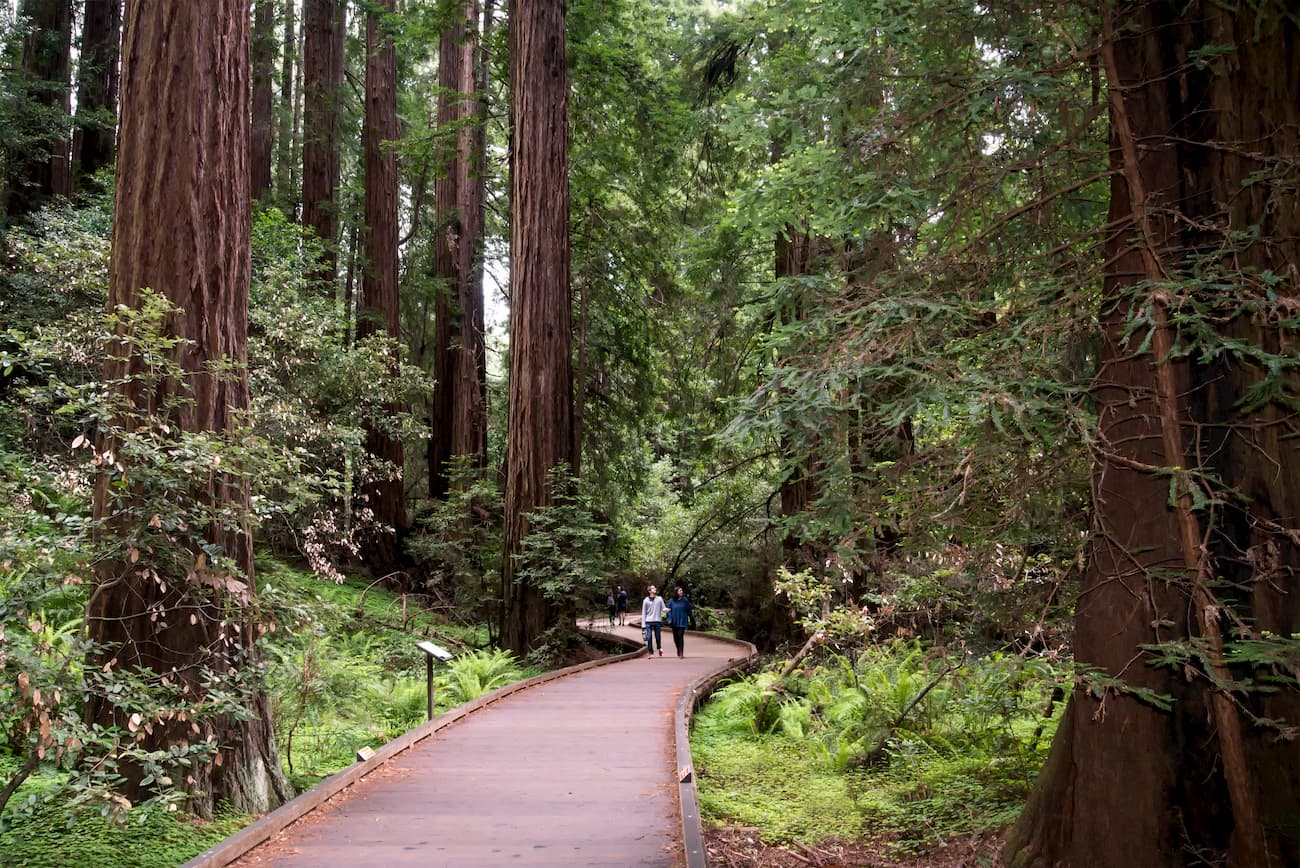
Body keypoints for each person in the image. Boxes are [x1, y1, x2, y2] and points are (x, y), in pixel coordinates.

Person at [665, 586, 693, 658]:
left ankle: (681, 652)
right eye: (680, 591)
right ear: (676, 592)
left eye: (682, 591)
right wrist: (669, 619)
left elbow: (689, 610)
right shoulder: (671, 601)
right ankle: (678, 649)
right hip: (674, 621)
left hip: (682, 621)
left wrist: (692, 619)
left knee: (680, 636)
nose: (681, 592)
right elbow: (668, 611)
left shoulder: (685, 600)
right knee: (675, 637)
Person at [641, 585, 666, 658]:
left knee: (658, 637)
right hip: (648, 621)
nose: (655, 589)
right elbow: (643, 613)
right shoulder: (645, 600)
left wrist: (667, 610)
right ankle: (650, 652)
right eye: (653, 588)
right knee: (649, 637)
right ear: (649, 591)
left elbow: (663, 608)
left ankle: (659, 648)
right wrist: (643, 625)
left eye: (655, 588)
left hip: (657, 621)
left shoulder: (659, 599)